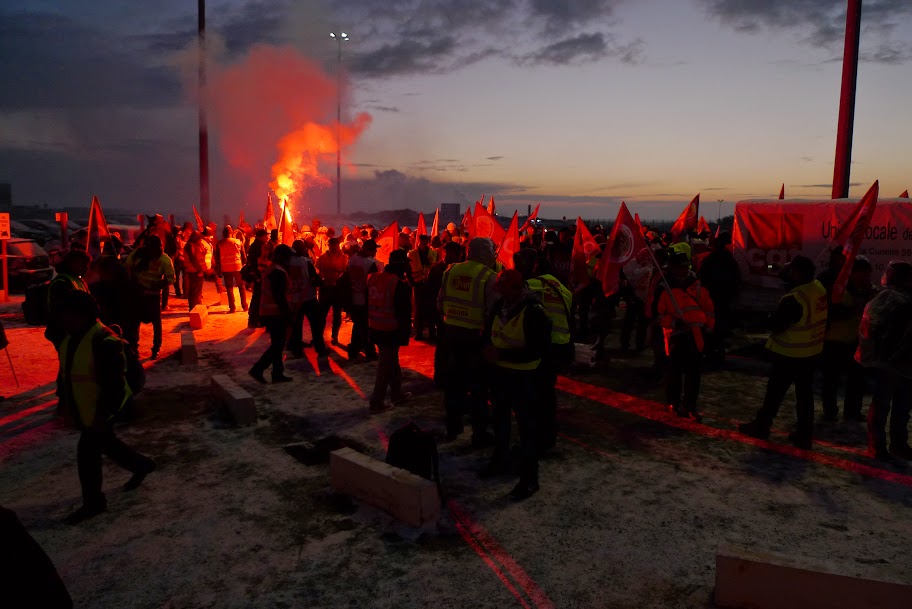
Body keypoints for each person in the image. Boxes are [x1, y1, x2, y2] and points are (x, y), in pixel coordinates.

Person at [56, 290, 155, 524]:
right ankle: (142, 465)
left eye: (66, 314)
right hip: (87, 410)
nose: (62, 319)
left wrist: (102, 415)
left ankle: (94, 503)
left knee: (87, 454)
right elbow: (69, 375)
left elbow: (114, 386)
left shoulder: (103, 341)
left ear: (80, 314)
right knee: (107, 445)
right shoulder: (72, 337)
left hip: (101, 411)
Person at [739, 256, 828, 449]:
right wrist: (778, 267)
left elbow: (776, 324)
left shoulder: (794, 299)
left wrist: (765, 320)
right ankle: (804, 435)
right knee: (805, 396)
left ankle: (762, 426)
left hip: (790, 354)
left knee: (775, 393)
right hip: (811, 352)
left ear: (797, 273)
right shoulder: (818, 288)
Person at [482, 269, 551, 500]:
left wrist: (500, 354)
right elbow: (489, 334)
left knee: (527, 429)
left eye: (502, 288)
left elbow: (537, 350)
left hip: (525, 379)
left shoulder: (534, 312)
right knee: (500, 420)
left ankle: (529, 479)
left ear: (516, 288)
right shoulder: (500, 305)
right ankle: (501, 460)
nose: (498, 293)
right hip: (500, 375)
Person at [438, 237, 498, 444]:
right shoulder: (489, 276)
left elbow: (440, 303)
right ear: (485, 253)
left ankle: (452, 428)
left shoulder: (450, 271)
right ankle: (479, 433)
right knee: (478, 387)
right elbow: (493, 313)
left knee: (453, 385)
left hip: (451, 334)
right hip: (475, 338)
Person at [516, 248, 573, 453]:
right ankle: (548, 437)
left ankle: (535, 438)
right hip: (560, 345)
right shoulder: (563, 288)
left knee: (532, 394)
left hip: (539, 347)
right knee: (548, 393)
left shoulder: (529, 286)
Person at [856, 261, 912, 460]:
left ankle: (895, 444)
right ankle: (878, 446)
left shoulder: (895, 297)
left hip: (902, 362)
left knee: (900, 407)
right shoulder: (892, 298)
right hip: (893, 362)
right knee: (885, 405)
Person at [658, 252, 715, 421]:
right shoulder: (663, 287)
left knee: (693, 374)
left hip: (696, 336)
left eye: (685, 266)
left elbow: (709, 309)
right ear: (672, 268)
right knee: (674, 372)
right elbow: (658, 315)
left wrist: (709, 328)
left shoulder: (697, 286)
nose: (683, 270)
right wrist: (675, 323)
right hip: (676, 336)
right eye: (679, 267)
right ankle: (674, 403)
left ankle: (690, 406)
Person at [819, 256, 874, 422]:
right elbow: (831, 312)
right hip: (834, 341)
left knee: (857, 381)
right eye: (863, 273)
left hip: (855, 342)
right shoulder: (838, 289)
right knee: (831, 379)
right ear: (852, 273)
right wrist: (854, 310)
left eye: (868, 274)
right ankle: (830, 411)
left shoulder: (869, 291)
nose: (866, 277)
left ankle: (852, 412)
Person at [367, 250, 412, 413]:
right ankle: (376, 401)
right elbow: (403, 313)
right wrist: (406, 333)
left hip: (375, 326)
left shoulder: (375, 278)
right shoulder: (398, 284)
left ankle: (396, 393)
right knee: (385, 366)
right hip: (390, 329)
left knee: (392, 362)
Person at [249, 245, 294, 384]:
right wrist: (287, 314)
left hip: (270, 312)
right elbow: (279, 296)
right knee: (278, 344)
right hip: (275, 313)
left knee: (277, 343)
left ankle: (277, 372)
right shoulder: (278, 272)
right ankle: (258, 368)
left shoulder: (273, 269)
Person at [125, 235, 175, 360]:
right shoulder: (136, 255)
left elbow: (171, 278)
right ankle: (134, 348)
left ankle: (156, 348)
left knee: (156, 324)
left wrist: (158, 285)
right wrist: (132, 284)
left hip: (153, 297)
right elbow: (127, 268)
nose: (152, 252)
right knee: (134, 323)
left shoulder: (164, 260)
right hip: (137, 295)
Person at [697, 231, 741, 362]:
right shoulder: (731, 261)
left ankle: (709, 350)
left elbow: (702, 278)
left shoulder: (709, 260)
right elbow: (736, 279)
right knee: (720, 327)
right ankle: (718, 351)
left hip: (711, 299)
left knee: (709, 327)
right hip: (723, 299)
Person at [288, 240, 327, 359]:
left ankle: (297, 349)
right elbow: (315, 279)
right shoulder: (306, 262)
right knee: (316, 324)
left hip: (293, 299)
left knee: (296, 326)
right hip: (308, 298)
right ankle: (320, 348)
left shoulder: (286, 262)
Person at [347, 240, 380, 362]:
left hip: (353, 296)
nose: (376, 252)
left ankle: (354, 351)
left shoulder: (352, 259)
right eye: (374, 249)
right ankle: (368, 351)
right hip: (365, 299)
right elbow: (374, 282)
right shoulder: (370, 263)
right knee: (365, 327)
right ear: (368, 250)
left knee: (358, 325)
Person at [316, 237, 349, 345]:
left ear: (338, 245)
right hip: (325, 289)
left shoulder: (344, 258)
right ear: (329, 245)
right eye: (331, 245)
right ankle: (319, 337)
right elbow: (317, 271)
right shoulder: (322, 258)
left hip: (337, 290)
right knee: (321, 315)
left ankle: (334, 336)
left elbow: (346, 273)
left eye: (335, 245)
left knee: (337, 314)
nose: (333, 247)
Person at [408, 234, 438, 341]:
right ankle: (419, 332)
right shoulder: (412, 254)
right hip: (418, 284)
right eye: (421, 242)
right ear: (418, 242)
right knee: (419, 309)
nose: (423, 245)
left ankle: (432, 332)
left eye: (425, 242)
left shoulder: (433, 253)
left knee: (431, 308)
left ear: (428, 242)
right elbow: (409, 269)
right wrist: (411, 282)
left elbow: (434, 266)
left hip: (429, 284)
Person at [215, 225, 248, 313]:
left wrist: (218, 269)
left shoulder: (219, 243)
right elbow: (244, 256)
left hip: (226, 268)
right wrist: (244, 264)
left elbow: (217, 258)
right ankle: (244, 306)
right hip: (237, 267)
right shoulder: (238, 242)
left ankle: (232, 308)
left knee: (229, 288)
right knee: (241, 286)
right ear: (231, 233)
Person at [245, 229, 269, 328]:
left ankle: (254, 318)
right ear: (262, 236)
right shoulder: (259, 246)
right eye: (266, 236)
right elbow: (257, 262)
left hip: (257, 274)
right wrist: (258, 275)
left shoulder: (255, 245)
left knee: (257, 297)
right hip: (259, 274)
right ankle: (254, 319)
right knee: (258, 297)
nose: (267, 238)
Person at [183, 231, 208, 311]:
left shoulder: (193, 245)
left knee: (197, 291)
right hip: (194, 271)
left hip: (196, 270)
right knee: (194, 291)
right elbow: (193, 259)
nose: (200, 241)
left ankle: (196, 307)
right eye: (199, 239)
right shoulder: (190, 246)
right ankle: (193, 308)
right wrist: (199, 270)